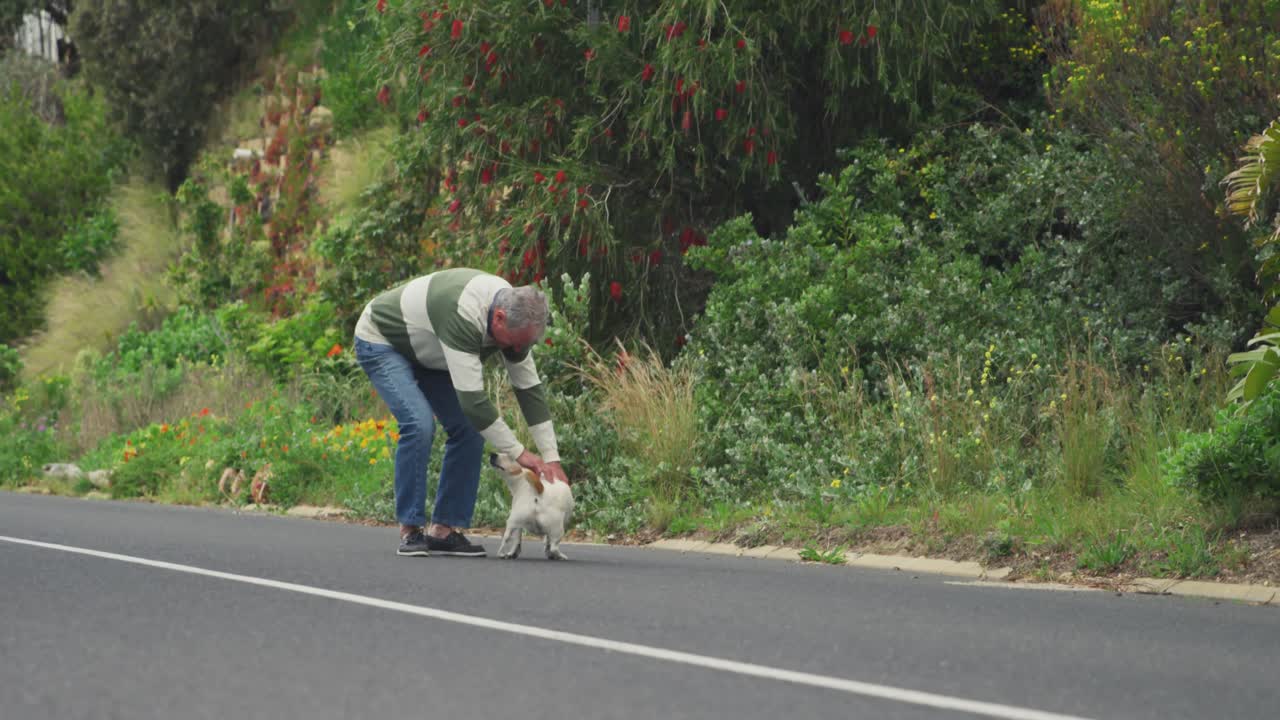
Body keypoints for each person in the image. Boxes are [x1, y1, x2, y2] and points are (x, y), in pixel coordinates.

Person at [353, 268, 568, 558]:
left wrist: (551, 458)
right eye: (517, 342)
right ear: (499, 318)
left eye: (527, 344)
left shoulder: (517, 315)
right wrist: (520, 453)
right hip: (384, 340)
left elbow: (529, 390)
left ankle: (443, 530)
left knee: (469, 429)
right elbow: (474, 402)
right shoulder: (464, 313)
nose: (519, 349)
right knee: (419, 423)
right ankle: (410, 529)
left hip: (431, 353)